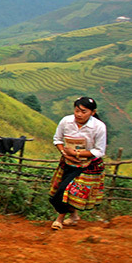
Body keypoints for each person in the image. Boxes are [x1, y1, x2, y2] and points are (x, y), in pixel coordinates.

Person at [49, 97, 107, 230]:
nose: (79, 114)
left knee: (66, 191)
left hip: (88, 165)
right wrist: (65, 153)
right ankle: (74, 215)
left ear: (92, 112)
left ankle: (59, 219)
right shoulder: (66, 121)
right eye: (77, 110)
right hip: (68, 163)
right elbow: (57, 140)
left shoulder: (99, 127)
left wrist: (77, 154)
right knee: (60, 192)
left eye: (84, 111)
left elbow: (99, 151)